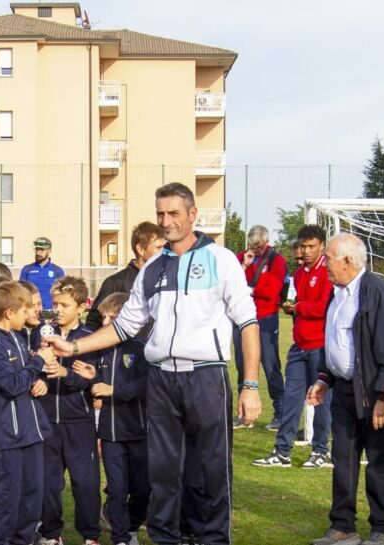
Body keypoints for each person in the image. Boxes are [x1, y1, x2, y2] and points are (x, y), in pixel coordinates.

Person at [45, 183, 262, 545]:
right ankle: (165, 538)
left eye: (174, 213)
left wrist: (251, 385)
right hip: (160, 379)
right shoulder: (152, 269)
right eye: (160, 213)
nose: (166, 221)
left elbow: (248, 322)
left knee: (211, 469)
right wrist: (73, 346)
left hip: (206, 376)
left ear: (193, 215)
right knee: (161, 470)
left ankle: (212, 538)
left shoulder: (220, 259)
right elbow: (124, 325)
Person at [306, 233, 384, 545]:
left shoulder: (376, 292)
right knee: (343, 459)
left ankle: (381, 528)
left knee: (379, 460)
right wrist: (324, 377)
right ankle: (342, 525)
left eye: (330, 259)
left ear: (348, 261)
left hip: (373, 395)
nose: (326, 266)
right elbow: (334, 341)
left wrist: (381, 397)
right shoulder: (336, 293)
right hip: (344, 392)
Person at [0, 282, 55, 545]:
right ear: (9, 313)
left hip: (32, 431)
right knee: (6, 498)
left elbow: (25, 377)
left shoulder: (20, 336)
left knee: (32, 496)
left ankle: (25, 539)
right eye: (26, 310)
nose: (30, 314)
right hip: (9, 434)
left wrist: (40, 378)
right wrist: (39, 361)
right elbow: (11, 384)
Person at [254, 225, 334, 469]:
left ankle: (321, 451)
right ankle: (282, 452)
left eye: (311, 246)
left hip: (320, 347)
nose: (306, 251)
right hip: (300, 346)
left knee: (321, 402)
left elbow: (323, 308)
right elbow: (299, 303)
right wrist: (292, 306)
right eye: (303, 246)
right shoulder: (299, 273)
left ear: (321, 245)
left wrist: (298, 308)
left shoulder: (328, 272)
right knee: (291, 400)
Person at [39, 276, 103, 545]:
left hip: (78, 420)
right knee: (49, 483)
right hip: (46, 421)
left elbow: (88, 379)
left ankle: (90, 536)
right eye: (55, 304)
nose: (59, 309)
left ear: (81, 307)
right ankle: (51, 534)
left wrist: (65, 372)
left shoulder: (89, 338)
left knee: (85, 482)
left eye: (64, 304)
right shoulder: (41, 333)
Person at [84, 292, 150, 545]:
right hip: (110, 434)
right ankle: (121, 537)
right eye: (103, 317)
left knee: (143, 489)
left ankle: (132, 524)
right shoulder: (99, 350)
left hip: (138, 432)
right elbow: (93, 383)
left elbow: (147, 384)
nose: (105, 322)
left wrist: (116, 391)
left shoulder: (141, 348)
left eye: (111, 317)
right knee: (117, 489)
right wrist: (91, 377)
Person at [233, 225, 287, 430]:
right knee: (241, 363)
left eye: (259, 245)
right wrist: (244, 266)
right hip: (241, 317)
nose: (255, 249)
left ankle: (280, 412)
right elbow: (232, 283)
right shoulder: (241, 257)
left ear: (266, 242)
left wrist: (250, 289)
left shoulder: (276, 260)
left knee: (271, 365)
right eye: (252, 245)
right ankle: (243, 413)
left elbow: (272, 289)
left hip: (265, 317)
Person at [85, 222, 165, 331]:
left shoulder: (166, 279)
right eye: (159, 247)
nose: (164, 252)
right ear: (140, 249)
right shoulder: (115, 283)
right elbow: (93, 323)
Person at [20, 237, 65, 307]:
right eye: (37, 249)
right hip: (32, 312)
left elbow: (63, 294)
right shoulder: (26, 269)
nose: (38, 252)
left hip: (50, 313)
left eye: (42, 250)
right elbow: (21, 293)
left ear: (49, 251)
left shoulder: (58, 271)